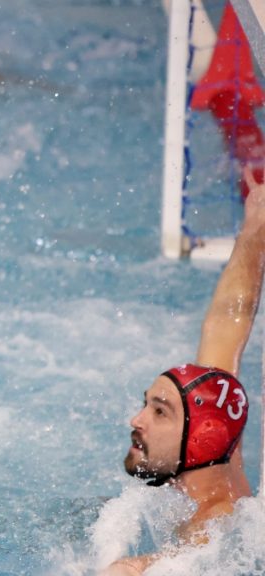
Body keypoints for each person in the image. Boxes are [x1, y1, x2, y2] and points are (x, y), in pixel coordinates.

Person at [102, 166, 265, 575]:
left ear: (200, 439)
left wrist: (133, 568)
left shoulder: (220, 526)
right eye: (147, 405)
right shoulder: (218, 450)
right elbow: (227, 322)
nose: (136, 420)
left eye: (160, 412)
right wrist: (254, 229)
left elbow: (194, 559)